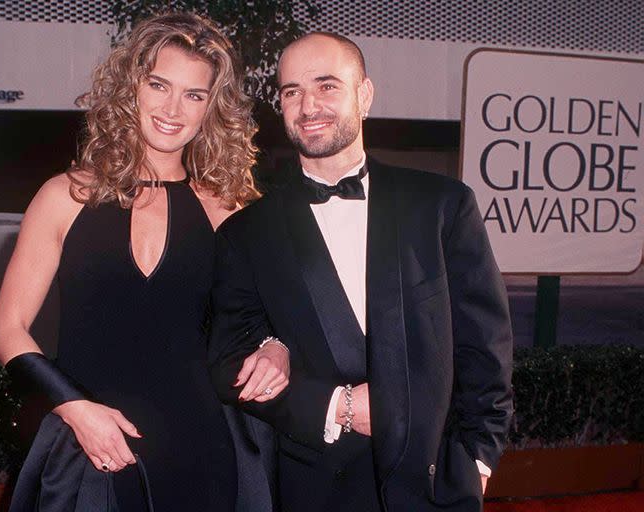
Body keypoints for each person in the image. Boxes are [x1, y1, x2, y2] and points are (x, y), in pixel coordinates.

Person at [0, 12, 288, 512]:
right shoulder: (64, 197)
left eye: (194, 95)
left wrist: (276, 347)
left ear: (210, 108)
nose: (174, 108)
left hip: (201, 450)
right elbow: (7, 329)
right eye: (159, 85)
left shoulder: (228, 207)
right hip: (89, 447)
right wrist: (76, 409)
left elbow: (264, 324)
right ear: (131, 88)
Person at [208, 32, 514, 511]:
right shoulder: (247, 233)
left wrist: (478, 459)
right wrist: (334, 405)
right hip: (315, 484)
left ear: (364, 95)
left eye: (327, 86)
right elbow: (229, 360)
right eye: (292, 92)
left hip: (435, 479)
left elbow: (485, 345)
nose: (308, 106)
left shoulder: (441, 206)